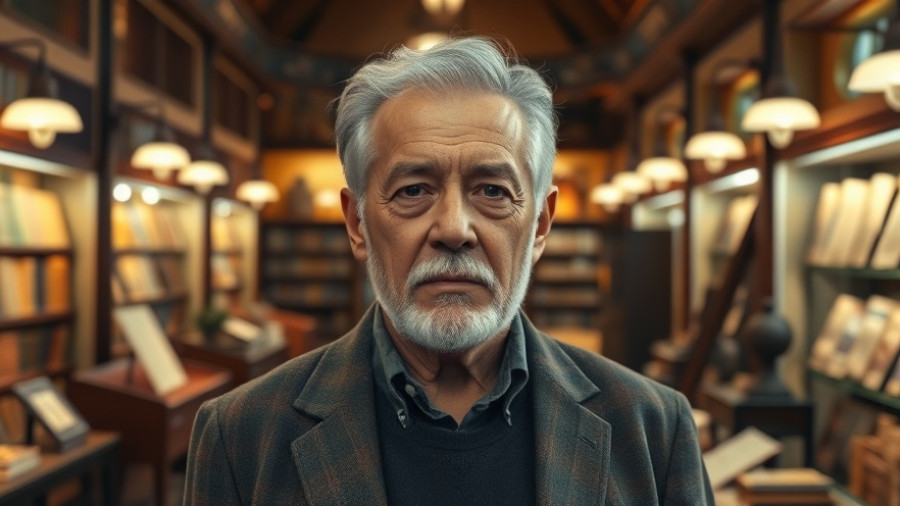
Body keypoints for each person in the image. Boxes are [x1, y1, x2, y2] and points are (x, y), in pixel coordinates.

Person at [183, 36, 713, 505]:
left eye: (493, 191)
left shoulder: (653, 431)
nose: (454, 229)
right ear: (358, 223)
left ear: (540, 225)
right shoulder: (242, 436)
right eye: (413, 190)